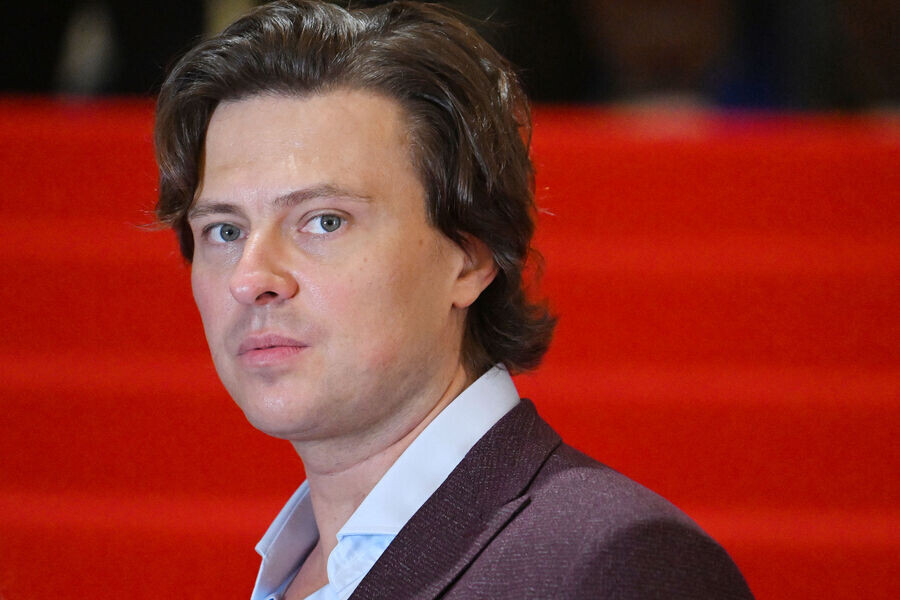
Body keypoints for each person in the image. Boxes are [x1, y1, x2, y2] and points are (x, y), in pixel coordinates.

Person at [154, 1, 754, 598]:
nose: (250, 278)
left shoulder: (618, 566)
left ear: (470, 256)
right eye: (224, 231)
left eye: (325, 221)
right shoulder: (295, 567)